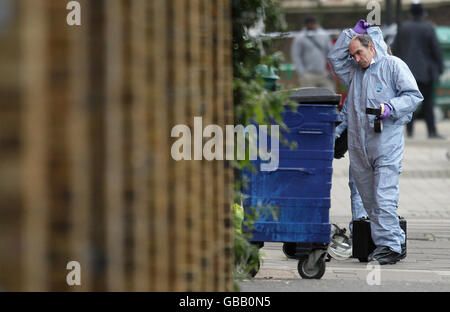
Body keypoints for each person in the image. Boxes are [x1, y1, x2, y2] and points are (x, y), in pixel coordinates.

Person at [328, 20, 423, 265]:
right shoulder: (355, 73)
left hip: (385, 144)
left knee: (383, 196)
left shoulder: (393, 66)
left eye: (359, 52)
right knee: (368, 199)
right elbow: (334, 58)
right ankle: (392, 241)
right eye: (353, 55)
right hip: (360, 147)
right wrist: (351, 33)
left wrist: (391, 108)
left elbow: (413, 96)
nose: (356, 58)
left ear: (371, 48)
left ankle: (390, 245)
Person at [393, 2, 444, 139]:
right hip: (425, 73)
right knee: (428, 103)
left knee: (409, 102)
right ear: (422, 13)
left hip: (407, 72)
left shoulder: (403, 28)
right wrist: (439, 68)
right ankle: (432, 132)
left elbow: (395, 49)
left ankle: (409, 132)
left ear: (410, 13)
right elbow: (436, 50)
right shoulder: (428, 28)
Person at [291, 16, 334, 91]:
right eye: (310, 24)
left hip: (323, 73)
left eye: (313, 24)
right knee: (309, 98)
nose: (312, 26)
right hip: (308, 74)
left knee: (330, 94)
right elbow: (296, 56)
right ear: (307, 25)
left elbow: (331, 53)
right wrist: (302, 73)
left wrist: (331, 71)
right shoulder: (300, 37)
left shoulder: (324, 35)